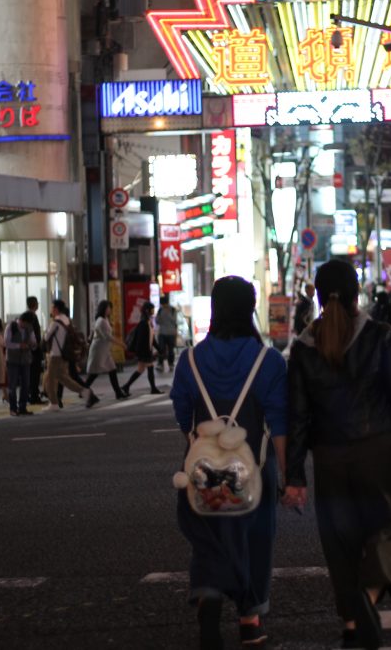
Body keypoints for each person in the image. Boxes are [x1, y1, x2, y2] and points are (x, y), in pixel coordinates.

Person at [285, 260, 391, 650]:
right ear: (358, 293)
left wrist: (293, 476)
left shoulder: (304, 348)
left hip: (329, 457)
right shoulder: (382, 336)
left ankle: (353, 624)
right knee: (385, 528)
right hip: (378, 450)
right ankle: (367, 597)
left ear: (319, 297)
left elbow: (298, 416)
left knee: (340, 543)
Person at [170, 277, 288, 650]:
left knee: (208, 536)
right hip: (253, 465)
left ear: (215, 310)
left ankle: (208, 596)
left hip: (202, 464)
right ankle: (249, 619)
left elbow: (183, 415)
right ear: (251, 309)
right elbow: (280, 422)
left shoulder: (189, 360)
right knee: (254, 538)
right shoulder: (267, 360)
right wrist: (290, 474)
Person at [42, 299, 98, 411]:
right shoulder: (67, 320)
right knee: (64, 378)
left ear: (56, 309)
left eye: (52, 308)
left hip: (55, 355)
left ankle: (54, 404)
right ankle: (86, 392)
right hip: (65, 355)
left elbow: (46, 337)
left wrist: (47, 329)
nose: (51, 310)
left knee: (50, 380)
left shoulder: (55, 323)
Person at [84, 300, 127, 400]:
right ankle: (83, 390)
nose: (110, 310)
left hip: (104, 350)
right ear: (103, 308)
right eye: (108, 308)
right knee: (94, 373)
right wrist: (121, 344)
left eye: (110, 308)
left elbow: (93, 332)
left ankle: (118, 392)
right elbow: (107, 337)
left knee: (112, 370)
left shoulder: (104, 319)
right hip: (98, 350)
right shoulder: (101, 321)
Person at [122, 302, 161, 396]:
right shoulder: (143, 323)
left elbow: (152, 338)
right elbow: (141, 340)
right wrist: (144, 352)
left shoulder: (148, 322)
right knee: (150, 367)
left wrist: (159, 348)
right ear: (147, 310)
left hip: (145, 351)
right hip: (144, 351)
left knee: (140, 369)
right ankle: (153, 388)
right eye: (152, 309)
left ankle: (126, 386)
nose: (153, 310)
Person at [5, 312, 37, 417]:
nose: (27, 326)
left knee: (26, 384)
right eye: (26, 324)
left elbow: (33, 341)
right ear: (22, 321)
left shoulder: (29, 328)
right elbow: (7, 343)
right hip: (12, 360)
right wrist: (19, 346)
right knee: (12, 385)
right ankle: (13, 409)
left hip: (26, 360)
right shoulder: (11, 326)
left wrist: (33, 345)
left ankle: (23, 407)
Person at [26, 296, 44, 404]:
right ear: (34, 304)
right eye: (37, 302)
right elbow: (34, 334)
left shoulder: (29, 315)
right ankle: (34, 396)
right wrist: (36, 345)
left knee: (32, 374)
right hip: (34, 350)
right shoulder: (32, 316)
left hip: (31, 350)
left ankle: (32, 394)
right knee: (34, 374)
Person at [156, 296, 179, 372]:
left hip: (171, 333)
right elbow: (157, 321)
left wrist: (167, 314)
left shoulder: (173, 310)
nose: (163, 306)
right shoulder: (160, 310)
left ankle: (171, 364)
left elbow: (175, 321)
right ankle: (160, 364)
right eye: (162, 305)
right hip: (162, 333)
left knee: (171, 350)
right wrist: (161, 317)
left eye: (164, 304)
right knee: (161, 349)